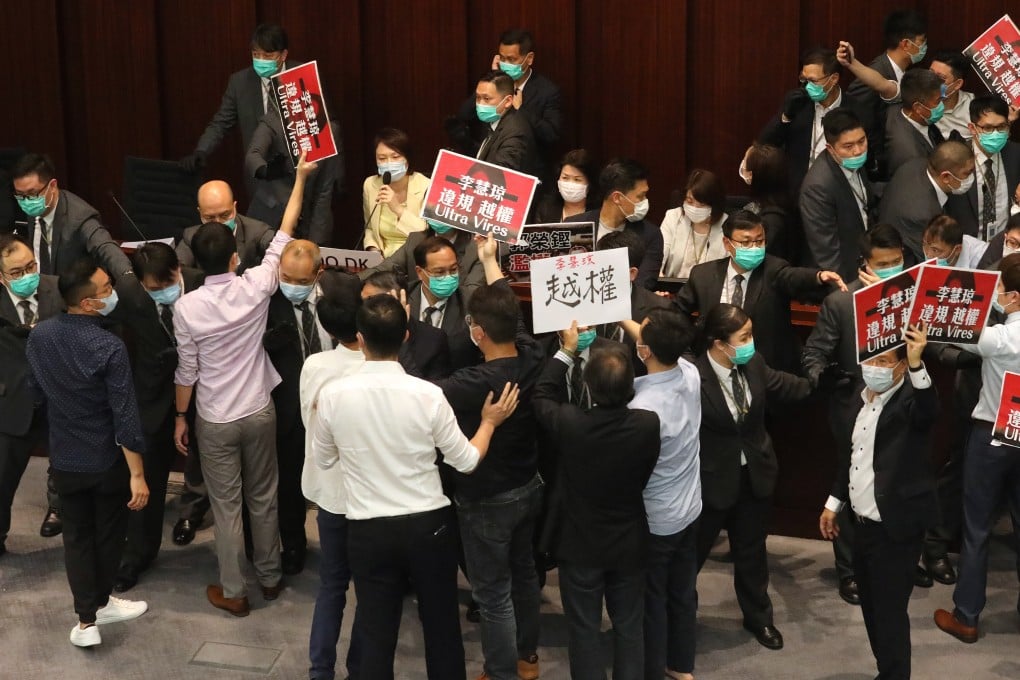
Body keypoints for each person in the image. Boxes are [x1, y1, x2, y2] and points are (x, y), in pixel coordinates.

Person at [309, 293, 519, 680]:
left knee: (375, 628)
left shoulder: (334, 397)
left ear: (360, 337)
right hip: (430, 526)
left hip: (368, 528)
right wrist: (489, 422)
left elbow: (322, 461)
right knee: (441, 626)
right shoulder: (429, 394)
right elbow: (467, 461)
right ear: (406, 337)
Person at [172, 154, 313, 616]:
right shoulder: (255, 285)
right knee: (264, 497)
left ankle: (234, 590)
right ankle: (271, 578)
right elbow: (287, 229)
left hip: (214, 418)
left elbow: (186, 373)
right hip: (259, 410)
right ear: (234, 256)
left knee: (227, 507)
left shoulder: (186, 308)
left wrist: (180, 416)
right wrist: (301, 179)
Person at [434, 234, 545, 680]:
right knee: (525, 576)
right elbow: (514, 320)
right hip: (529, 487)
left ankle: (500, 672)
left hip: (485, 500)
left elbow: (417, 394)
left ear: (476, 332)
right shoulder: (534, 356)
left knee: (492, 593)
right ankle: (527, 658)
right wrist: (489, 260)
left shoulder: (469, 382)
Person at [26, 256, 150, 648]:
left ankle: (87, 620)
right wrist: (137, 474)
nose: (113, 293)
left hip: (63, 458)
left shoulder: (40, 336)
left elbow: (37, 393)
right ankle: (100, 603)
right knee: (109, 534)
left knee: (76, 537)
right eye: (106, 290)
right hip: (105, 461)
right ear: (88, 304)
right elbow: (125, 416)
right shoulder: (109, 347)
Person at [532, 328, 660, 679]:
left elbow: (542, 393)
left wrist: (567, 352)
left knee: (584, 630)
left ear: (588, 387)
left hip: (580, 544)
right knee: (629, 627)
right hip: (628, 542)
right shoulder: (648, 424)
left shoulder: (571, 423)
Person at [819, 322, 936, 680]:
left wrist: (918, 364)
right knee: (871, 607)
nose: (875, 367)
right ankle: (886, 671)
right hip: (862, 526)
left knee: (888, 614)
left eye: (885, 361)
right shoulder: (862, 397)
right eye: (871, 360)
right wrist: (834, 502)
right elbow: (852, 456)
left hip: (895, 530)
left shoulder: (910, 402)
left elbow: (928, 410)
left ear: (902, 367)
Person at [695, 303, 812, 650]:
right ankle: (677, 619)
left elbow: (787, 385)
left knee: (751, 551)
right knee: (691, 556)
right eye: (744, 337)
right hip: (711, 480)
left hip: (754, 475)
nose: (751, 343)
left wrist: (821, 381)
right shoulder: (692, 375)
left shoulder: (753, 363)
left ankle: (759, 618)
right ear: (719, 343)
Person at [802, 224, 909, 605]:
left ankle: (899, 558)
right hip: (853, 406)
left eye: (897, 262)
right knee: (849, 484)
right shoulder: (841, 302)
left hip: (902, 406)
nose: (892, 269)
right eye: (883, 264)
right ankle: (849, 570)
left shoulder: (912, 296)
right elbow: (813, 354)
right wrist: (826, 377)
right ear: (864, 263)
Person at [934, 253, 1020, 644]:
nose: (996, 294)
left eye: (1000, 289)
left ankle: (967, 615)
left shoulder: (1000, 338)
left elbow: (948, 325)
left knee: (977, 528)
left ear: (1014, 297)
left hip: (992, 436)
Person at [108, 243, 204, 592]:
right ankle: (137, 555)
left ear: (177, 270)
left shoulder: (202, 283)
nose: (158, 293)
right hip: (152, 399)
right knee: (146, 480)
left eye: (163, 285)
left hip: (206, 395)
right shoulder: (129, 292)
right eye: (151, 289)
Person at [622, 311, 701, 680]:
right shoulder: (690, 372)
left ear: (644, 350)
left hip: (656, 520)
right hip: (690, 508)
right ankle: (681, 664)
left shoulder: (642, 407)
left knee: (652, 599)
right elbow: (660, 345)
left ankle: (653, 669)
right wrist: (624, 318)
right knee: (683, 593)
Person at [675, 209, 845, 373]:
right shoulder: (703, 275)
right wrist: (688, 356)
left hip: (766, 372)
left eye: (759, 241)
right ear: (727, 243)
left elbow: (793, 277)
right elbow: (676, 314)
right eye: (746, 242)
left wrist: (819, 276)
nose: (754, 248)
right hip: (716, 371)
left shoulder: (774, 269)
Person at [298, 272, 366, 680]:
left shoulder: (314, 365)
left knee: (331, 586)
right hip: (369, 498)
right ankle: (360, 668)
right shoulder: (384, 366)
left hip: (328, 495)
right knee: (373, 592)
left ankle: (320, 671)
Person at [263, 238, 330, 575]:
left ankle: (341, 548)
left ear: (318, 273)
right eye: (287, 278)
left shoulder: (337, 295)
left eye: (302, 281)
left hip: (333, 411)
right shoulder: (266, 303)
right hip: (289, 411)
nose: (293, 286)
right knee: (290, 485)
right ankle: (293, 545)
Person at [0, 234, 64, 555]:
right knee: (3, 476)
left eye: (31, 267)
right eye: (16, 272)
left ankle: (58, 510)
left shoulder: (57, 288)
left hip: (59, 397)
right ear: (1, 276)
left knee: (66, 466)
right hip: (13, 402)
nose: (27, 276)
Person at [181, 23, 298, 187]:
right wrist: (202, 150)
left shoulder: (302, 76)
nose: (261, 60)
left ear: (283, 55)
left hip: (298, 174)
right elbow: (220, 123)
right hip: (261, 178)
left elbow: (325, 125)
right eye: (256, 54)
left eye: (268, 55)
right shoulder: (240, 83)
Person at [758, 47, 870, 194]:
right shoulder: (797, 103)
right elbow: (764, 143)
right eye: (804, 80)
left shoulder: (857, 111)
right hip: (799, 192)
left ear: (833, 79)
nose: (807, 86)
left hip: (840, 192)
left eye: (812, 81)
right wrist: (785, 116)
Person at [448, 28, 562, 167]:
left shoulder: (547, 91)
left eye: (511, 59)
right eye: (502, 58)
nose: (505, 63)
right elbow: (464, 115)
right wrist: (492, 79)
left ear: (529, 58)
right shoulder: (494, 82)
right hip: (487, 162)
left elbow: (551, 135)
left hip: (527, 168)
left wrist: (522, 109)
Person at [10, 153, 132, 281]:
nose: (26, 201)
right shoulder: (31, 208)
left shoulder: (79, 217)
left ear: (52, 186)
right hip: (38, 293)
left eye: (32, 194)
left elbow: (105, 246)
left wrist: (127, 275)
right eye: (20, 195)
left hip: (72, 296)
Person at [841, 9, 929, 179]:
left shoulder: (905, 74)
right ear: (906, 44)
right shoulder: (875, 73)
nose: (925, 46)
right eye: (921, 41)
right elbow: (856, 118)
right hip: (874, 170)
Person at [800, 107, 878, 282]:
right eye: (848, 146)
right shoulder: (817, 187)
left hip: (862, 259)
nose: (858, 150)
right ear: (830, 148)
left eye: (862, 141)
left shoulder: (854, 163)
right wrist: (845, 292)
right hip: (844, 275)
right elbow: (827, 253)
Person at [245, 111, 343, 245]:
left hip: (306, 221)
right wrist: (268, 171)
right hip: (270, 217)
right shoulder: (274, 120)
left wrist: (315, 243)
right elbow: (253, 155)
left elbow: (324, 189)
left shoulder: (329, 129)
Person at [566, 158, 664, 290]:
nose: (645, 201)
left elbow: (643, 285)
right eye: (641, 196)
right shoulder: (573, 226)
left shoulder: (650, 235)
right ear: (617, 198)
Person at [879, 140, 976, 261]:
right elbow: (929, 259)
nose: (971, 177)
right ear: (946, 177)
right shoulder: (926, 215)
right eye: (967, 173)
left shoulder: (916, 164)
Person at [946, 94, 1020, 241]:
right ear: (972, 128)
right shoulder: (955, 160)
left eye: (1001, 127)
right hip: (966, 245)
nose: (995, 133)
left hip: (1005, 244)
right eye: (987, 128)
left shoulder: (1016, 154)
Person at [408, 236, 481, 371]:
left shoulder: (472, 302)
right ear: (419, 272)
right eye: (439, 272)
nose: (448, 277)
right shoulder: (403, 298)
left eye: (453, 270)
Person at [362, 271, 451, 380]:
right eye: (362, 301)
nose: (363, 308)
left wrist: (398, 331)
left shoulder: (434, 340)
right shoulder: (357, 332)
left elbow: (427, 391)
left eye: (370, 302)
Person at [176, 180, 275, 275]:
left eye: (224, 215)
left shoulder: (259, 233)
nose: (218, 223)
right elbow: (178, 271)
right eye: (210, 217)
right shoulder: (191, 236)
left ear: (234, 207)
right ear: (200, 213)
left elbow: (280, 256)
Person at [361, 127, 429, 256]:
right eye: (382, 158)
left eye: (395, 157)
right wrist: (373, 252)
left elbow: (427, 235)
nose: (388, 163)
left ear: (407, 159)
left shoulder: (425, 185)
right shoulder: (370, 184)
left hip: (415, 256)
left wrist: (397, 208)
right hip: (382, 259)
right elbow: (370, 228)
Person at [472, 70, 543, 178]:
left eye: (486, 99)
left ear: (508, 101)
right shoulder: (494, 121)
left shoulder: (516, 134)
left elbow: (499, 177)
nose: (480, 104)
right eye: (478, 98)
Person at [659, 169, 728, 279]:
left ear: (714, 204)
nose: (694, 208)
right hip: (673, 289)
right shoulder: (673, 217)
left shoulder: (727, 225)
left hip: (710, 292)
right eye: (689, 201)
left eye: (701, 204)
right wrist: (660, 282)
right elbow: (658, 257)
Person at [739, 143, 799, 263]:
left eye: (745, 161)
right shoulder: (781, 199)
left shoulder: (772, 222)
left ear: (752, 175)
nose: (742, 165)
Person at [883, 69, 948, 176]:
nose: (942, 105)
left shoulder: (896, 109)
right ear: (918, 108)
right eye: (938, 101)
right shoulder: (912, 155)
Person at [532, 149, 599, 223]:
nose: (570, 184)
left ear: (589, 184)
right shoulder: (545, 208)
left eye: (577, 179)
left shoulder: (598, 212)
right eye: (565, 178)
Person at [930, 51, 975, 142]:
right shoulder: (919, 102)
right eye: (930, 74)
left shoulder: (974, 105)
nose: (931, 81)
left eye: (941, 78)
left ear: (958, 84)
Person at [921, 214, 987, 270]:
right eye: (924, 245)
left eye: (935, 250)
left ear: (957, 249)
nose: (928, 255)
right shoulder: (932, 248)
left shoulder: (982, 258)